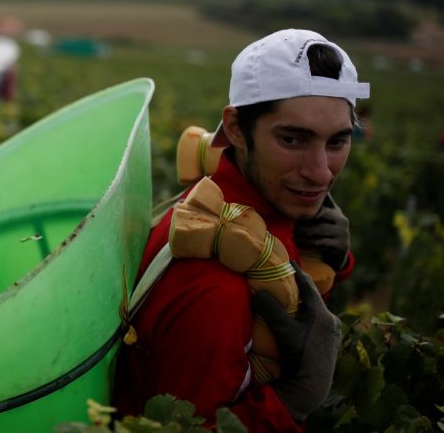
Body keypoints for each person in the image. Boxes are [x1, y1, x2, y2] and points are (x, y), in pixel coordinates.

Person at [113, 28, 370, 431]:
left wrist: (335, 260)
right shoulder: (215, 288)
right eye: (292, 139)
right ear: (234, 128)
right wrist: (291, 401)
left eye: (337, 142)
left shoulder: (233, 206)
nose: (321, 172)